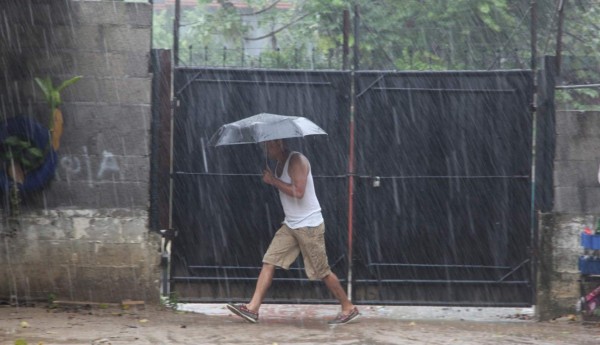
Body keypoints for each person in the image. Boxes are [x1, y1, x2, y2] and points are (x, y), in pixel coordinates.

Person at [226, 139, 359, 325]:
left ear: (280, 144)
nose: (267, 149)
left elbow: (298, 191)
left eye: (269, 145)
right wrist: (274, 179)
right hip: (291, 225)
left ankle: (348, 307)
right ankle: (253, 309)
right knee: (269, 260)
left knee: (322, 271)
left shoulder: (296, 161)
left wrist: (273, 180)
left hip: (309, 226)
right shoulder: (280, 163)